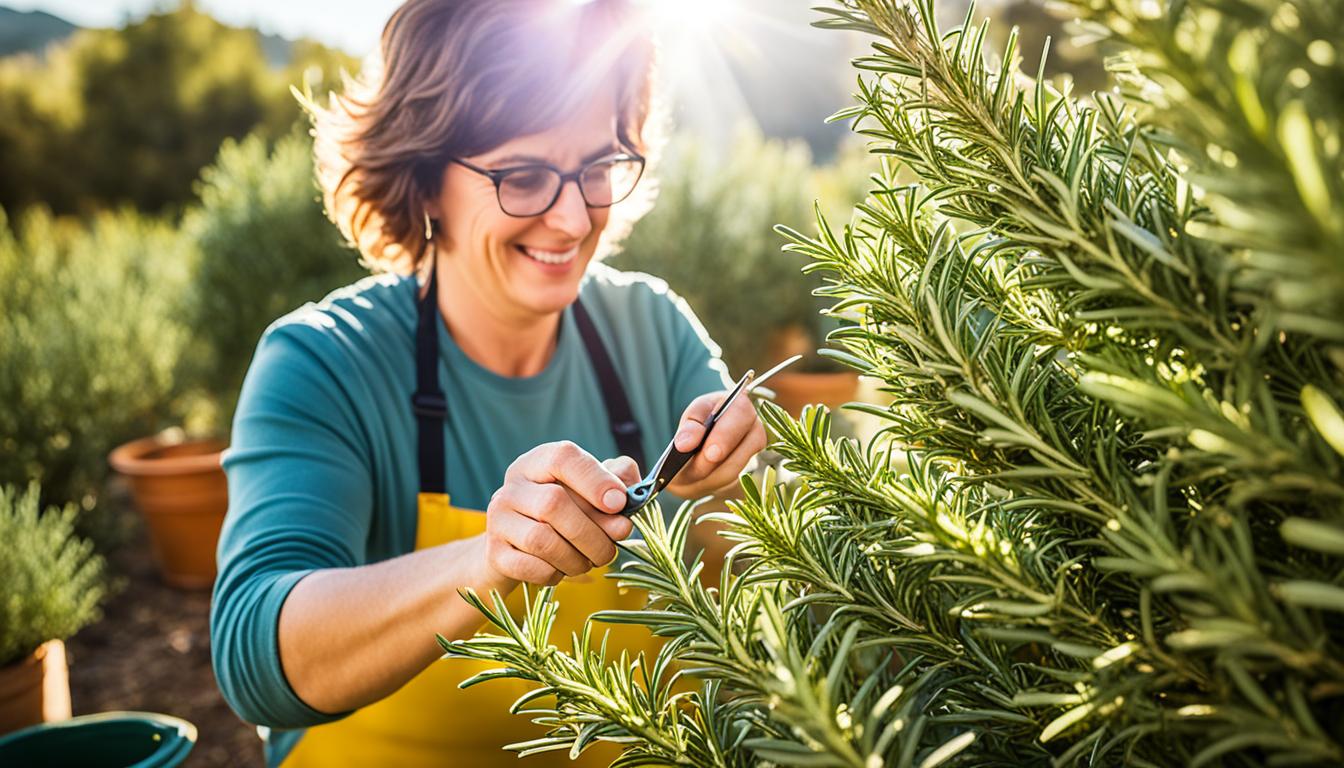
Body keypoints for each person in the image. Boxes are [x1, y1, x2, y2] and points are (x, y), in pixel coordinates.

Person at [208, 1, 767, 766]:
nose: (572, 219)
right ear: (426, 179)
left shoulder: (653, 331)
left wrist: (739, 484)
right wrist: (488, 561)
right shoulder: (322, 362)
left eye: (598, 167)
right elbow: (253, 656)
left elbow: (767, 580)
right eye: (525, 176)